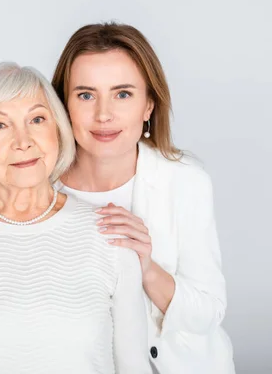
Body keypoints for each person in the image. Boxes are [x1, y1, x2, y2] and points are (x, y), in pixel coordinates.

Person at [0, 62, 152, 373]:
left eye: (37, 119)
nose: (23, 141)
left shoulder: (112, 235)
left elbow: (134, 367)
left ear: (58, 131)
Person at [51, 22, 235, 374]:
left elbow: (208, 313)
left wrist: (147, 270)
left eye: (122, 94)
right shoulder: (33, 182)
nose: (103, 114)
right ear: (64, 104)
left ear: (148, 105)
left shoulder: (185, 180)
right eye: (86, 95)